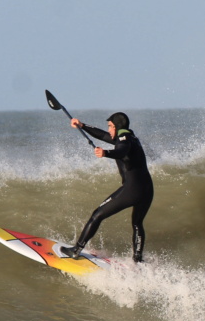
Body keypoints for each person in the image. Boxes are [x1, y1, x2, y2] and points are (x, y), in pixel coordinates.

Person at [60, 112, 154, 263]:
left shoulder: (124, 140)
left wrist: (105, 153)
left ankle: (76, 250)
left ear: (117, 127)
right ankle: (138, 260)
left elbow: (121, 150)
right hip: (147, 189)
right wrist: (82, 125)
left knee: (97, 215)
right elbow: (104, 136)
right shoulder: (131, 137)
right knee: (137, 223)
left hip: (132, 189)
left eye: (110, 126)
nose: (109, 130)